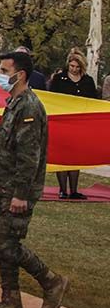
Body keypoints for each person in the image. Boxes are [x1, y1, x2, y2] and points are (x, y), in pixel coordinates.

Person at [0, 50, 69, 308]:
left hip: (15, 191)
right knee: (1, 242)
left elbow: (30, 156)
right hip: (2, 186)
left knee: (8, 245)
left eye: (5, 71)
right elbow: (14, 139)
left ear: (21, 75)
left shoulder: (29, 106)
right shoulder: (14, 103)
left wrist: (20, 195)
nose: (2, 76)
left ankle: (51, 281)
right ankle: (10, 301)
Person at [48, 48, 98, 199]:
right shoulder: (59, 79)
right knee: (62, 156)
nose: (74, 69)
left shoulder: (88, 81)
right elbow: (52, 98)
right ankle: (63, 190)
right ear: (68, 65)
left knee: (75, 156)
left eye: (77, 67)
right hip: (62, 122)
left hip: (79, 124)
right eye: (72, 66)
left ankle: (74, 190)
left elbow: (93, 101)